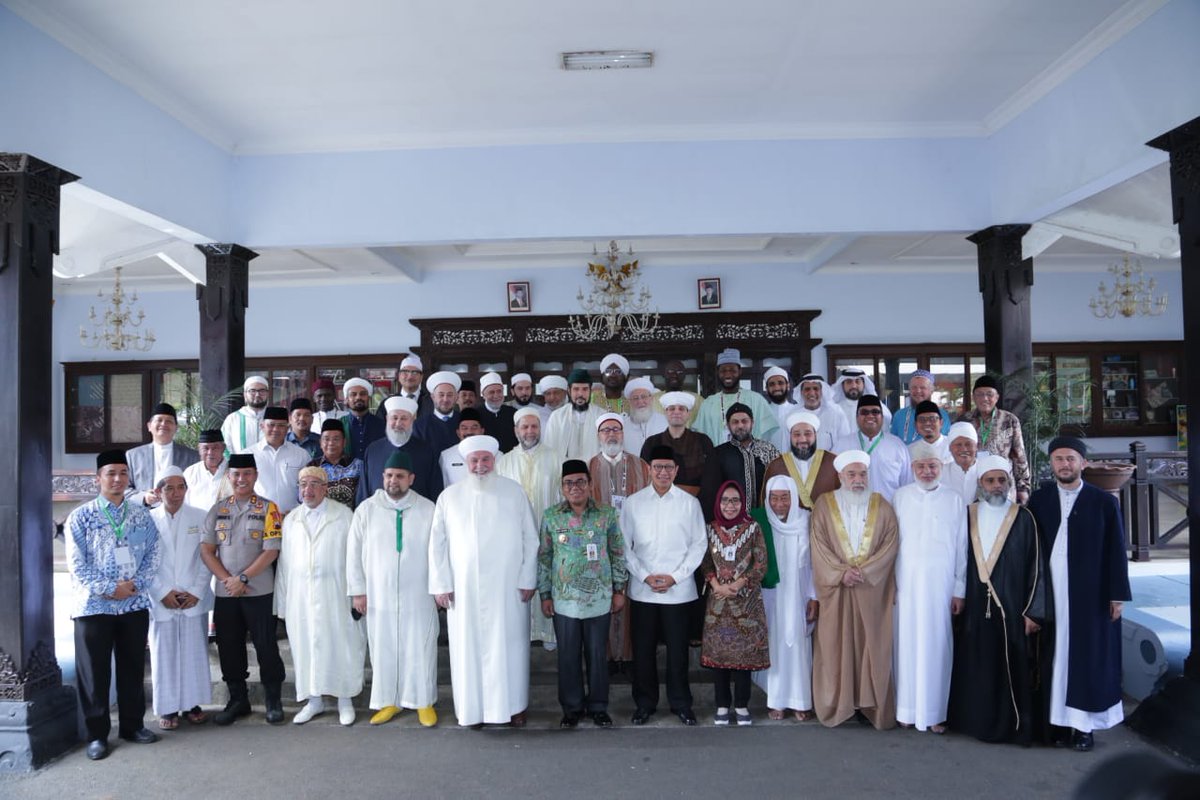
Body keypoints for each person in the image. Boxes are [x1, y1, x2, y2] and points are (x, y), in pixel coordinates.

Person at [1027, 436, 1131, 752]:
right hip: (1052, 594)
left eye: (1071, 458)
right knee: (1055, 659)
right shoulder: (1039, 500)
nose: (1065, 464)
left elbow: (1116, 551)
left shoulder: (1104, 503)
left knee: (1086, 660)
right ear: (1052, 464)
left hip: (1090, 597)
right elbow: (1029, 551)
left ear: (1082, 463)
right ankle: (1058, 724)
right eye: (1059, 459)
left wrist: (1117, 596)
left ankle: (1084, 727)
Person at [429, 435, 539, 728]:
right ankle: (472, 710)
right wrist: (441, 584)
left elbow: (531, 537)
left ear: (495, 461)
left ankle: (514, 707)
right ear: (466, 463)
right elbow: (437, 544)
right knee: (468, 650)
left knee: (511, 647)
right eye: (474, 461)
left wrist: (528, 577)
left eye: (485, 460)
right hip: (464, 591)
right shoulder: (449, 497)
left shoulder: (514, 492)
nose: (480, 466)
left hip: (508, 588)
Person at [66, 450, 162, 760]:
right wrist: (110, 589)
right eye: (111, 473)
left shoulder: (140, 515)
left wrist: (133, 586)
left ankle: (132, 725)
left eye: (123, 473)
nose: (118, 479)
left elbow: (153, 554)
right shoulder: (81, 517)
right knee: (94, 674)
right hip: (93, 607)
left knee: (132, 668)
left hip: (133, 605)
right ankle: (97, 735)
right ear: (98, 479)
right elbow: (77, 565)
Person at [948, 456, 1047, 745]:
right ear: (980, 484)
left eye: (1001, 480)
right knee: (977, 661)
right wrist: (960, 594)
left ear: (1009, 483)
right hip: (976, 606)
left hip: (1013, 608)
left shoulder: (1023, 517)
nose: (996, 486)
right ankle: (975, 722)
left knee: (1010, 665)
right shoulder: (969, 513)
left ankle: (1011, 725)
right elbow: (960, 560)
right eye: (990, 480)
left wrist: (1033, 612)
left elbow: (1036, 568)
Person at [348, 450, 440, 727]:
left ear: (411, 478)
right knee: (383, 647)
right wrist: (358, 591)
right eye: (388, 476)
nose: (393, 481)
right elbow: (353, 554)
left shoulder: (428, 509)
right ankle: (389, 702)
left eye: (399, 476)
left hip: (419, 593)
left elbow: (439, 552)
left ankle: (423, 701)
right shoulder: (366, 509)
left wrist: (438, 587)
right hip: (379, 593)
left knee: (421, 646)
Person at [809, 450, 900, 730]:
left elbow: (890, 543)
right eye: (852, 474)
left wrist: (865, 572)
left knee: (872, 647)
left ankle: (870, 705)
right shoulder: (824, 505)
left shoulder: (882, 505)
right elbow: (819, 544)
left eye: (862, 474)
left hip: (871, 591)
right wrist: (840, 573)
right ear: (840, 476)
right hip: (837, 590)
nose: (858, 479)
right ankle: (840, 704)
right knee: (836, 645)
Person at [537, 460, 628, 728]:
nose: (574, 487)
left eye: (580, 482)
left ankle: (599, 706)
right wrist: (545, 594)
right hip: (565, 602)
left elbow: (617, 553)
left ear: (589, 484)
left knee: (598, 655)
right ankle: (572, 708)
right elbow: (544, 557)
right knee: (567, 656)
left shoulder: (607, 514)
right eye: (569, 483)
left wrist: (619, 589)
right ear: (562, 487)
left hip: (599, 600)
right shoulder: (552, 516)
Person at [621, 445, 707, 726]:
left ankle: (681, 703)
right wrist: (645, 575)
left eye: (668, 467)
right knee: (643, 652)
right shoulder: (633, 503)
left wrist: (676, 576)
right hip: (643, 590)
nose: (663, 472)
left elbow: (698, 545)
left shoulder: (689, 503)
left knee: (679, 652)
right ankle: (644, 704)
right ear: (649, 469)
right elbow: (623, 546)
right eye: (657, 467)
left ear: (676, 470)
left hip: (679, 591)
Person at [199, 453, 286, 726]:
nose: (241, 479)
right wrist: (229, 580)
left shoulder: (269, 509)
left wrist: (243, 579)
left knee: (266, 646)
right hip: (226, 593)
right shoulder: (218, 509)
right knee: (229, 646)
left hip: (259, 591)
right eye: (236, 474)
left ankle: (273, 699)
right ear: (229, 477)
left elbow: (271, 551)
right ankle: (238, 699)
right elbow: (207, 551)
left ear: (256, 475)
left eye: (247, 473)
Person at [276, 467, 365, 726]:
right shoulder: (292, 520)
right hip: (301, 598)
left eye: (315, 484)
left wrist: (357, 592)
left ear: (326, 488)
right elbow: (284, 565)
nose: (308, 489)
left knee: (341, 646)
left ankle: (344, 701)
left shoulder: (344, 515)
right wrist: (283, 603)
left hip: (336, 594)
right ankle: (313, 701)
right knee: (306, 648)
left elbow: (356, 557)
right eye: (303, 484)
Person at [891, 441, 967, 733]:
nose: (927, 471)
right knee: (906, 644)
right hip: (906, 583)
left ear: (941, 468)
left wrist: (960, 589)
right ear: (912, 469)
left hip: (942, 584)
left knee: (938, 645)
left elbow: (962, 547)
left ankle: (935, 713)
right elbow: (892, 544)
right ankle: (906, 710)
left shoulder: (954, 499)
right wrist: (892, 584)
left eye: (932, 466)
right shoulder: (900, 496)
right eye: (921, 466)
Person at [147, 467, 213, 731]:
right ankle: (168, 708)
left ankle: (193, 704)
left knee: (193, 652)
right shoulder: (147, 520)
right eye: (169, 488)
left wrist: (196, 590)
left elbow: (207, 557)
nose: (175, 494)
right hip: (161, 597)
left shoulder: (200, 516)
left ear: (187, 489)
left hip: (192, 597)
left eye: (180, 487)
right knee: (164, 655)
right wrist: (162, 592)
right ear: (159, 492)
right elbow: (145, 563)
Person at [701, 481, 770, 726]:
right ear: (718, 503)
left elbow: (761, 563)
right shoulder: (710, 529)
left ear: (742, 503)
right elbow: (705, 561)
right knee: (719, 656)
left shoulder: (753, 528)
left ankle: (741, 705)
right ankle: (721, 705)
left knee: (744, 656)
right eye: (725, 500)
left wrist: (740, 583)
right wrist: (716, 585)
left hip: (746, 601)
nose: (730, 506)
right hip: (718, 601)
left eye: (735, 501)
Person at [497, 407, 565, 650]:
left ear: (540, 429)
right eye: (524, 427)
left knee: (548, 580)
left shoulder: (556, 457)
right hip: (515, 537)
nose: (529, 431)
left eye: (534, 426)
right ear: (516, 430)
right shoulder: (504, 461)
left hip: (549, 534)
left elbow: (564, 497)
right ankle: (522, 633)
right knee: (519, 581)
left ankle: (548, 634)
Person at [588, 412, 652, 667]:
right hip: (600, 547)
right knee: (604, 599)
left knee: (631, 601)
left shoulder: (641, 465)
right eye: (606, 430)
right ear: (598, 436)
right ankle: (605, 659)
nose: (611, 434)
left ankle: (628, 657)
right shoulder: (589, 466)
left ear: (623, 434)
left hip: (636, 545)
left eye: (616, 429)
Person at [757, 475, 819, 721]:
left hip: (799, 594)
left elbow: (815, 563)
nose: (779, 504)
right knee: (775, 645)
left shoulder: (805, 521)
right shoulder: (761, 521)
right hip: (771, 596)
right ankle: (777, 701)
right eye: (774, 498)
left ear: (794, 499)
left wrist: (813, 596)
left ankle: (801, 701)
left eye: (785, 498)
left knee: (798, 646)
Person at [699, 403, 780, 521]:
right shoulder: (718, 454)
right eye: (735, 422)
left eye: (744, 421)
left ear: (752, 423)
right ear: (728, 425)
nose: (740, 425)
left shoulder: (768, 450)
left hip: (765, 519)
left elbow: (779, 483)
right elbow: (710, 492)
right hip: (731, 520)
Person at [358, 395, 442, 505]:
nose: (398, 423)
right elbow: (364, 491)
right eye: (395, 417)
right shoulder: (373, 450)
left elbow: (435, 490)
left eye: (404, 418)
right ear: (387, 418)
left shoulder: (426, 451)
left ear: (412, 420)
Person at [960, 375, 1030, 503]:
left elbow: (1019, 455)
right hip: (973, 482)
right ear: (973, 397)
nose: (984, 398)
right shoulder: (964, 420)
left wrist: (1023, 487)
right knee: (974, 520)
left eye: (989, 394)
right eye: (979, 394)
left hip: (1002, 483)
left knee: (1005, 521)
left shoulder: (1009, 420)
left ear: (997, 397)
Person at [832, 394, 912, 502]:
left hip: (888, 513)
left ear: (882, 417)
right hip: (851, 514)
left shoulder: (897, 446)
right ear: (857, 417)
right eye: (864, 412)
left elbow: (907, 485)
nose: (870, 416)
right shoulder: (842, 445)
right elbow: (833, 482)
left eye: (875, 412)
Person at [693, 348, 779, 445]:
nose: (728, 374)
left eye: (732, 370)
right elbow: (700, 437)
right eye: (723, 370)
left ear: (740, 371)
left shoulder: (756, 400)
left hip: (749, 457)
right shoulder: (708, 404)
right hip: (717, 457)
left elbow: (766, 434)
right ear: (718, 372)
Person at [640, 391, 714, 496]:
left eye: (682, 409)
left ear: (688, 414)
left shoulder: (703, 441)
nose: (676, 412)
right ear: (665, 413)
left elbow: (711, 478)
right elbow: (645, 477)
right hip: (660, 502)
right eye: (672, 408)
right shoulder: (652, 443)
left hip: (696, 502)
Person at [125, 402, 199, 508]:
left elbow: (197, 488)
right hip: (145, 514)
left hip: (180, 513)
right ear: (149, 426)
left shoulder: (192, 457)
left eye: (169, 421)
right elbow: (123, 489)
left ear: (176, 428)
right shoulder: (133, 456)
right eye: (159, 420)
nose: (163, 424)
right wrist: (144, 497)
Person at [763, 410, 840, 507]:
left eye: (808, 434)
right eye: (797, 434)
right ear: (790, 436)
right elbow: (766, 504)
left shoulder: (833, 462)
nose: (802, 439)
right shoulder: (776, 466)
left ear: (815, 435)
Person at [249, 406, 310, 514]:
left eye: (281, 425)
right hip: (259, 518)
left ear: (287, 428)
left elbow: (310, 487)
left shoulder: (301, 455)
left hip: (293, 517)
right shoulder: (248, 455)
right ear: (262, 426)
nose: (276, 429)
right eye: (271, 425)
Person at [544, 368, 604, 460]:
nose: (580, 394)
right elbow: (549, 448)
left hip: (594, 470)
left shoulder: (601, 415)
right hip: (564, 471)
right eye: (576, 389)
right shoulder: (557, 417)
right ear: (569, 390)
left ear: (590, 391)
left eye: (585, 389)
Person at [309, 418, 364, 508]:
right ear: (320, 443)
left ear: (344, 442)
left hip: (352, 519)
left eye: (336, 439)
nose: (331, 443)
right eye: (326, 439)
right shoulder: (312, 467)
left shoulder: (358, 466)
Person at [791, 373, 852, 451]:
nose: (812, 393)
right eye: (807, 389)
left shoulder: (836, 415)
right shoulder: (792, 416)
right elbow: (787, 447)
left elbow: (845, 444)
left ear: (822, 391)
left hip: (830, 462)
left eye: (816, 389)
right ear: (801, 392)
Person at [891, 370, 952, 444]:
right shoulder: (899, 415)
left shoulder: (941, 414)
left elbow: (944, 442)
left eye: (922, 387)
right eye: (914, 387)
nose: (918, 391)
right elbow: (893, 441)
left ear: (931, 390)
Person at [412, 370, 463, 456]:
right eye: (441, 395)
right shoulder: (419, 425)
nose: (445, 399)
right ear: (433, 397)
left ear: (456, 397)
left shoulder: (464, 421)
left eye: (450, 395)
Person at [183, 428, 232, 512]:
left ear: (223, 448)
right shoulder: (190, 473)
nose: (210, 452)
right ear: (199, 449)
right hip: (197, 523)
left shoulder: (234, 471)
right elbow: (182, 503)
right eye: (205, 448)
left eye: (215, 448)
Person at [221, 375, 270, 454]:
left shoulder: (275, 418)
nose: (257, 394)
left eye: (262, 391)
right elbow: (224, 447)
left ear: (267, 394)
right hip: (240, 465)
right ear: (245, 395)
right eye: (252, 391)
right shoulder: (233, 419)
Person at [376, 354, 434, 420]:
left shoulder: (431, 401)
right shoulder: (388, 402)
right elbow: (379, 427)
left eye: (414, 372)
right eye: (405, 371)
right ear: (399, 376)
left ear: (421, 377)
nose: (410, 376)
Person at [340, 377, 386, 461]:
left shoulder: (381, 425)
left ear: (369, 398)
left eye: (363, 394)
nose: (358, 397)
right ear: (346, 400)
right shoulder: (339, 424)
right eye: (353, 394)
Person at [621, 377, 667, 458]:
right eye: (635, 398)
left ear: (651, 398)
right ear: (629, 402)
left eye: (644, 397)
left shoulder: (665, 422)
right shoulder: (623, 426)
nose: (640, 402)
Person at [439, 408, 485, 487]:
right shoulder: (446, 456)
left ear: (482, 431)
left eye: (474, 428)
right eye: (464, 428)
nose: (469, 432)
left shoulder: (496, 455)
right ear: (458, 433)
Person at [942, 421, 984, 504]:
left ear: (976, 446)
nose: (964, 449)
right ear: (950, 448)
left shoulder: (987, 471)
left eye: (968, 444)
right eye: (958, 445)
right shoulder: (941, 472)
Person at [652, 359, 702, 427]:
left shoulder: (697, 400)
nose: (674, 375)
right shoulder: (652, 400)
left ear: (684, 376)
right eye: (670, 371)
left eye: (679, 372)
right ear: (664, 374)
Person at [477, 371, 518, 452]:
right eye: (491, 392)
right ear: (483, 394)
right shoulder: (475, 415)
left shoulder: (513, 413)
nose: (496, 396)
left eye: (499, 391)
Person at [763, 366, 799, 453]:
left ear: (788, 386)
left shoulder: (797, 411)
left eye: (780, 383)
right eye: (772, 384)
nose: (776, 388)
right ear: (767, 389)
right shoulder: (761, 413)